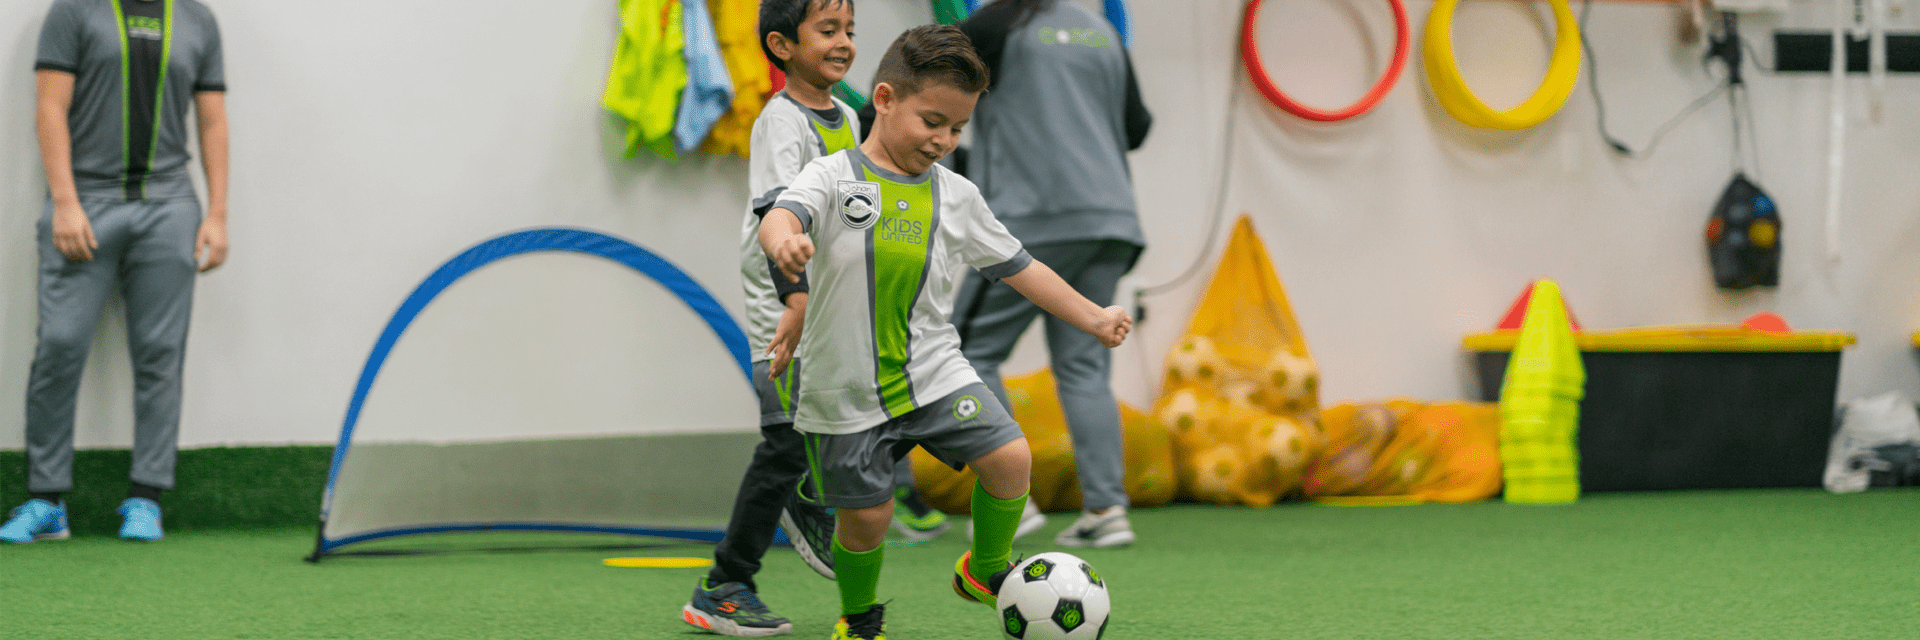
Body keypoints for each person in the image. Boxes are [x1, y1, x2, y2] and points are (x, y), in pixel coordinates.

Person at [757, 25, 1131, 640]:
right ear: (884, 99)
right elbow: (780, 215)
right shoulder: (832, 176)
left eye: (957, 128)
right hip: (843, 386)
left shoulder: (957, 196)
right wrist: (785, 242)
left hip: (933, 370)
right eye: (932, 121)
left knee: (1010, 458)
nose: (944, 140)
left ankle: (985, 570)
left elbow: (1022, 267)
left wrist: (1092, 317)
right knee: (868, 520)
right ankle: (859, 614)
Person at [0, 0, 229, 545]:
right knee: (59, 346)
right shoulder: (74, 12)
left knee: (160, 354)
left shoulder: (197, 19)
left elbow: (213, 120)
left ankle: (146, 498)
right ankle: (46, 501)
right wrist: (64, 202)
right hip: (86, 202)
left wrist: (218, 215)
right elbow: (50, 107)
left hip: (169, 206)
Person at [679, 0, 853, 636]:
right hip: (783, 304)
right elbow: (776, 214)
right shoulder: (781, 121)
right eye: (827, 30)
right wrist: (795, 299)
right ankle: (723, 586)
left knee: (861, 413)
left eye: (850, 30)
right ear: (782, 46)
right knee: (784, 440)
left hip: (827, 302)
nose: (844, 42)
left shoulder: (848, 118)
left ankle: (811, 492)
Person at [954, 0, 1152, 549]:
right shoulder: (1102, 32)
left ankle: (1010, 500)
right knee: (1084, 366)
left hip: (1034, 218)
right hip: (1112, 218)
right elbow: (1137, 128)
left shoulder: (997, 24)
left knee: (962, 353)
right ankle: (1107, 510)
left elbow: (927, 89)